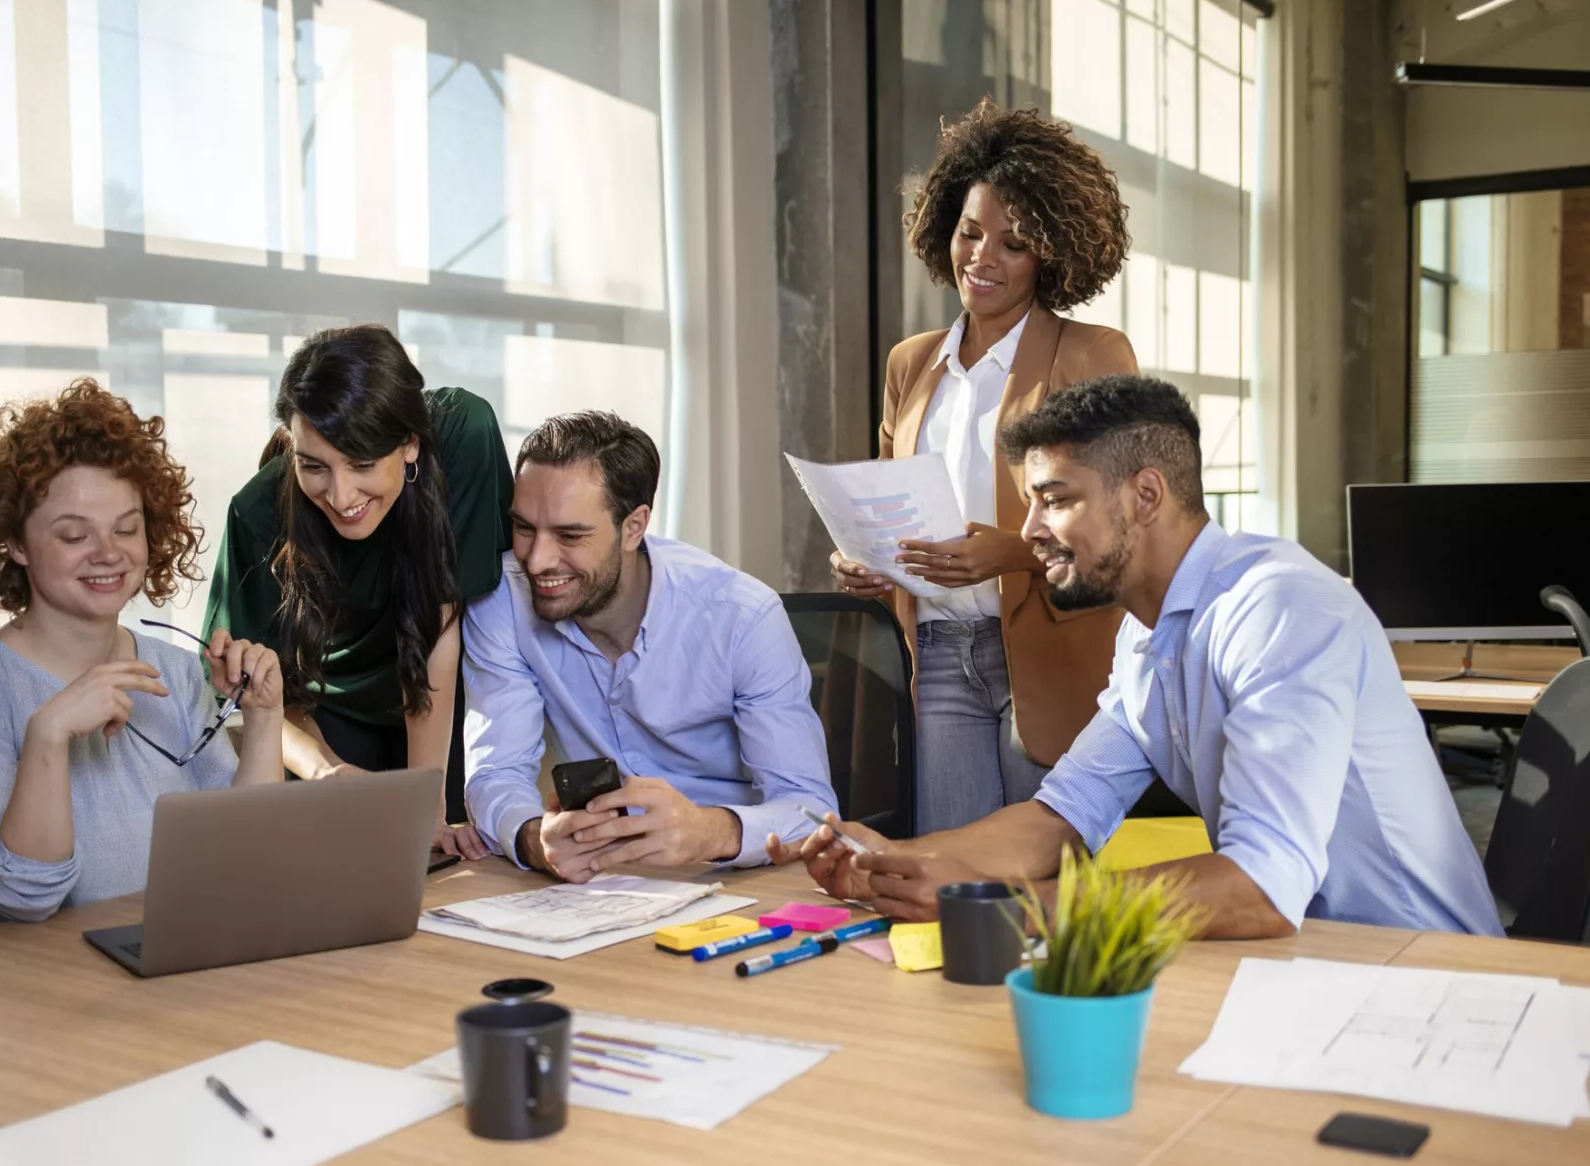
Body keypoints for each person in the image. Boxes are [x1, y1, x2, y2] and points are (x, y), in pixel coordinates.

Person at [779, 375, 1503, 938]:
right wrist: (901, 862)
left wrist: (997, 908)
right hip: (1301, 959)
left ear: (1146, 495)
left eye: (1053, 500)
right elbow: (1061, 816)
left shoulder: (1279, 609)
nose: (1028, 531)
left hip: (1410, 965)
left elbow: (1261, 884)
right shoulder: (1147, 632)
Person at [832, 98, 1140, 835]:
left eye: (1015, 243)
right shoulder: (912, 364)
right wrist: (866, 560)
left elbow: (1126, 522)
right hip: (937, 652)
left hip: (1050, 652)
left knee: (1041, 885)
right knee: (955, 883)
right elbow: (885, 497)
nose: (982, 257)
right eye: (971, 233)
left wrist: (1009, 553)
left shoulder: (1092, 354)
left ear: (1052, 253)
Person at [0, 379, 285, 936]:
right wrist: (49, 734)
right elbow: (22, 896)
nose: (109, 553)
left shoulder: (175, 671)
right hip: (17, 995)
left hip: (151, 962)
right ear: (15, 543)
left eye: (126, 528)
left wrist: (263, 720)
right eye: (74, 535)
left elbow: (248, 859)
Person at [463, 410, 837, 882]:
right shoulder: (502, 600)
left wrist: (709, 832)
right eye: (524, 528)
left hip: (736, 875)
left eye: (569, 535)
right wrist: (536, 839)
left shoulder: (742, 617)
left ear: (634, 526)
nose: (537, 560)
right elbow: (495, 772)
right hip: (600, 883)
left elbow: (811, 809)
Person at [203, 325, 513, 860]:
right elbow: (262, 698)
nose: (341, 495)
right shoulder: (256, 513)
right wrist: (325, 770)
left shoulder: (463, 432)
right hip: (329, 718)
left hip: (444, 705)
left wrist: (428, 807)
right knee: (330, 874)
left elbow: (439, 628)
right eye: (313, 465)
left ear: (410, 443)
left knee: (455, 867)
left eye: (364, 464)